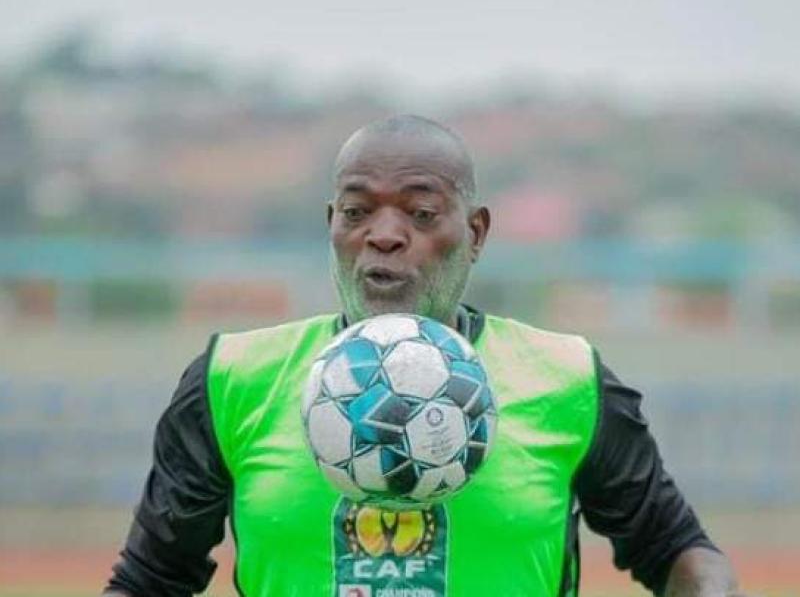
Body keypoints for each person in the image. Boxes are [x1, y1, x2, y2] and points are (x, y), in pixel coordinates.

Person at [104, 115, 752, 597]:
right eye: (357, 211)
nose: (383, 236)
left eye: (420, 212)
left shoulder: (568, 380)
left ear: (474, 234)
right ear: (332, 225)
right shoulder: (234, 379)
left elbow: (679, 552)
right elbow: (150, 580)